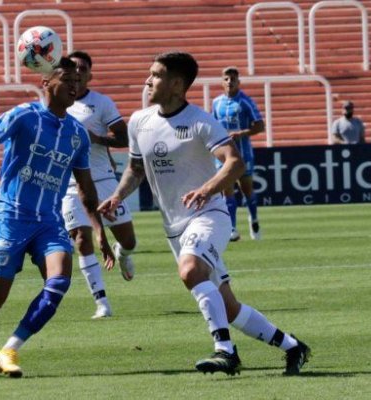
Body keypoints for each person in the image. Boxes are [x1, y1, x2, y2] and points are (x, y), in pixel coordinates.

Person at [98, 51, 311, 376]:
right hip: (174, 227)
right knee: (229, 307)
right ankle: (292, 347)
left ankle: (225, 351)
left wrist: (207, 189)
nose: (148, 80)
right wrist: (116, 195)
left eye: (155, 74)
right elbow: (136, 169)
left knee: (190, 271)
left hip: (210, 215)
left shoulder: (200, 120)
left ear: (177, 84)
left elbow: (235, 162)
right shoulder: (140, 121)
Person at [0, 57, 115, 379]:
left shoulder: (77, 134)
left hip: (49, 221)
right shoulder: (24, 115)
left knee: (59, 279)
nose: (75, 85)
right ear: (46, 82)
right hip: (10, 214)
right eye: (67, 79)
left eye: (78, 81)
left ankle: (8, 350)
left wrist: (99, 231)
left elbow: (86, 189)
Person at [62, 50, 138, 319]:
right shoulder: (57, 103)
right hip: (70, 185)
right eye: (73, 68)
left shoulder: (101, 103)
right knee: (82, 239)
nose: (78, 72)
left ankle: (123, 253)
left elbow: (124, 139)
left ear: (90, 74)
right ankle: (101, 302)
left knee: (128, 240)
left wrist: (96, 139)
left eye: (83, 68)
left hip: (104, 179)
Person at [212, 67, 265, 241]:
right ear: (222, 82)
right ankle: (232, 228)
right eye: (226, 79)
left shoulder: (245, 102)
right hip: (223, 155)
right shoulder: (216, 103)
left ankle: (254, 218)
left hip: (243, 153)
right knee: (227, 191)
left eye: (233, 79)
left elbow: (259, 126)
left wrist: (240, 134)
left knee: (246, 189)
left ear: (238, 82)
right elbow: (213, 125)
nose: (230, 82)